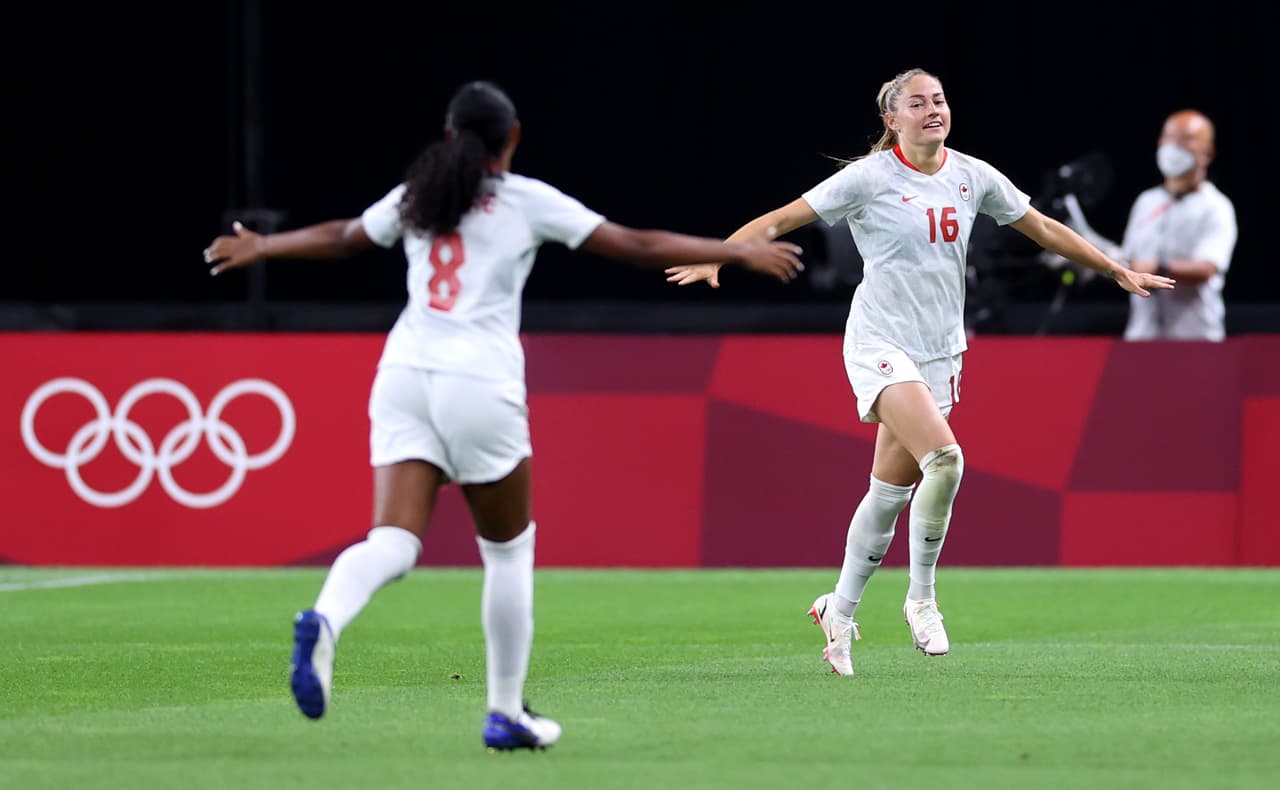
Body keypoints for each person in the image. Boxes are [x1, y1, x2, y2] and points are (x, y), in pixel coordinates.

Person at [202, 80, 802, 747]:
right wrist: (736, 250)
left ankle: (326, 619)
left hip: (402, 375)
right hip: (478, 382)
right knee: (509, 551)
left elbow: (344, 237)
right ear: (513, 136)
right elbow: (633, 246)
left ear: (452, 135)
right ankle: (505, 711)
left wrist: (263, 247)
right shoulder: (524, 200)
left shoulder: (419, 196)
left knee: (394, 542)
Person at [665, 67, 1174, 677]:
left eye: (939, 99)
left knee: (889, 493)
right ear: (892, 119)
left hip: (940, 351)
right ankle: (922, 599)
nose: (933, 109)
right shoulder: (869, 178)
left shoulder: (972, 175)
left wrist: (1116, 269)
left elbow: (1042, 228)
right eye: (918, 103)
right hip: (879, 341)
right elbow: (778, 220)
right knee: (947, 459)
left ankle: (839, 611)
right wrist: (722, 256)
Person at [1119, 109, 1237, 341]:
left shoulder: (1217, 206)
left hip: (1195, 338)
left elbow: (1207, 267)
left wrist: (1157, 268)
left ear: (1207, 152)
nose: (1173, 146)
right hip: (1141, 337)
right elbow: (1127, 261)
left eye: (1185, 140)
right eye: (1168, 138)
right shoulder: (1145, 202)